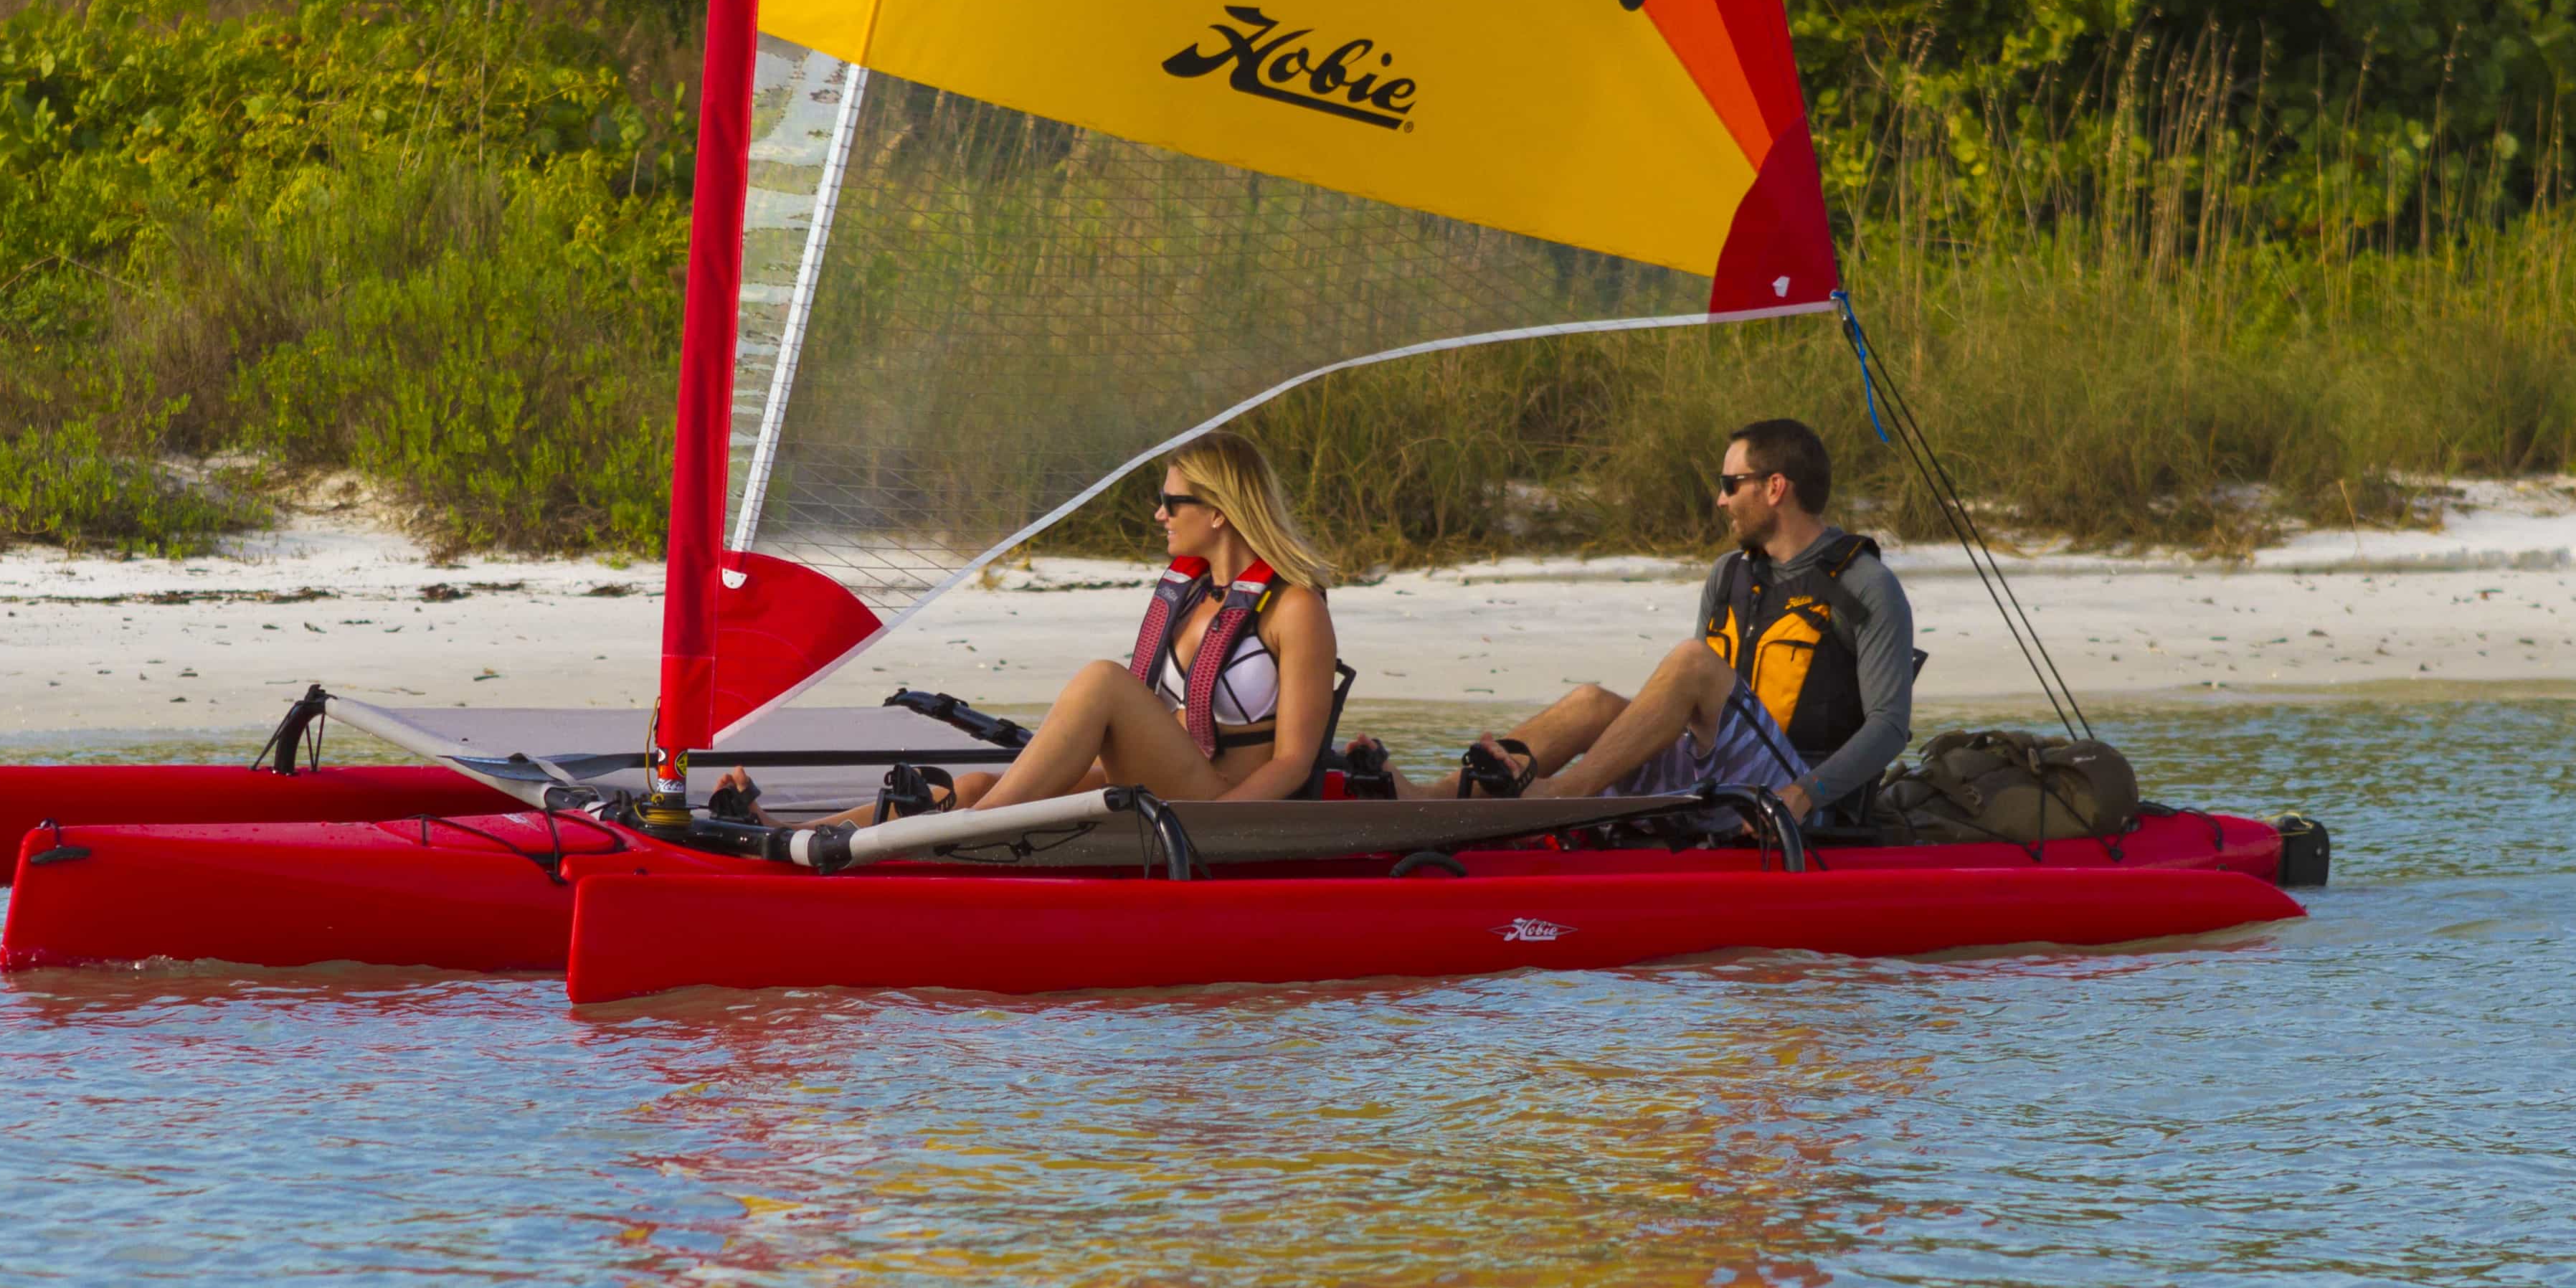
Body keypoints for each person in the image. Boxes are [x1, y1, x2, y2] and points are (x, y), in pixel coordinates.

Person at [726, 431, 1343, 823]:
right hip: (1167, 778)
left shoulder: (1296, 610)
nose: (1159, 514)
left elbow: (1292, 761)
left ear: (1217, 511)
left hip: (1215, 802)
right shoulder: (1192, 596)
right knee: (971, 786)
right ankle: (795, 837)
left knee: (1104, 681)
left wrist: (1219, 825)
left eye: (1171, 503)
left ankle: (964, 834)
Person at [1419, 416, 1914, 823]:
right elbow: (1695, 713)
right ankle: (1430, 803)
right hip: (1716, 775)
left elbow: (1890, 726)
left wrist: (1805, 794)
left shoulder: (1865, 584)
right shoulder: (1728, 575)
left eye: (1730, 484)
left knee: (1692, 662)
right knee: (1591, 704)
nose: (1721, 500)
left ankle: (1556, 801)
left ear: (1775, 488)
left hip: (1796, 797)